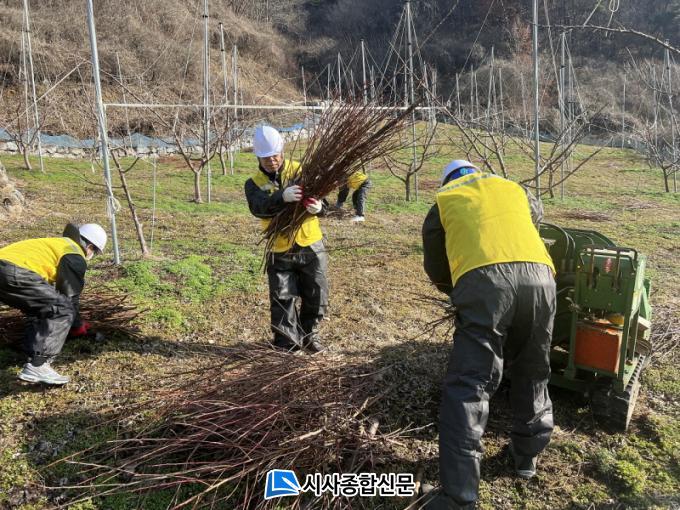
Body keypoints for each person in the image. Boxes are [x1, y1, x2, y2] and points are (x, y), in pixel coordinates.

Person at [421, 160, 557, 509]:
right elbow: (534, 218)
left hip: (486, 285)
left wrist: (459, 291)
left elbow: (436, 264)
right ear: (476, 172)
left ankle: (459, 496)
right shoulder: (512, 188)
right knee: (532, 368)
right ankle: (526, 456)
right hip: (542, 278)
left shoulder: (445, 200)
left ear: (448, 180)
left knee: (470, 385)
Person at [244, 125, 328, 353]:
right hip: (280, 247)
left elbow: (325, 202)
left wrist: (320, 208)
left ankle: (310, 335)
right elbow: (258, 208)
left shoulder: (301, 171)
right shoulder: (253, 183)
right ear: (258, 157)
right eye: (266, 158)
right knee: (282, 296)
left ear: (282, 151)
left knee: (316, 292)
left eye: (275, 155)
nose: (272, 161)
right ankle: (287, 342)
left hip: (310, 242)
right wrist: (281, 196)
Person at [0, 223, 107, 385]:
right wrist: (77, 325)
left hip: (7, 269)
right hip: (12, 271)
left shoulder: (57, 244)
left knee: (41, 308)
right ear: (90, 247)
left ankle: (31, 354)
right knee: (62, 308)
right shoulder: (74, 253)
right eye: (95, 252)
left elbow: (46, 300)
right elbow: (69, 296)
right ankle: (39, 365)